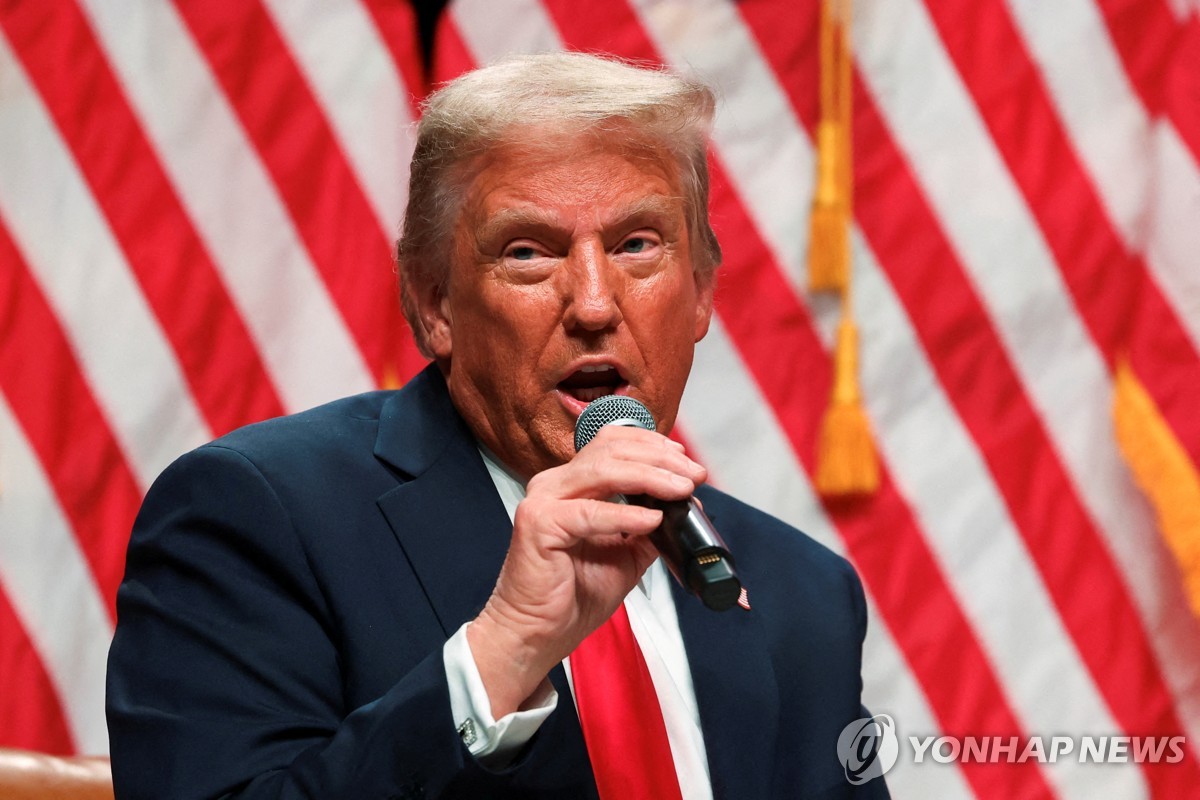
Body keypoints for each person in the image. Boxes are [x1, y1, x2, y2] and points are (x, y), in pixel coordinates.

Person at [106, 52, 889, 799]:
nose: (592, 304)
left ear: (702, 292)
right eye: (527, 254)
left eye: (637, 245)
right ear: (435, 302)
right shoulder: (257, 519)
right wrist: (504, 650)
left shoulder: (802, 594)